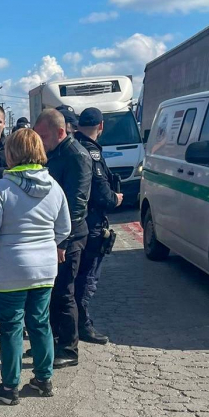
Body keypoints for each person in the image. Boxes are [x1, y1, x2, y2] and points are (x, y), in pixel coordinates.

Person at [0, 129, 71, 405]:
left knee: (11, 327)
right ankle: (43, 379)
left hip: (9, 268)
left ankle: (10, 386)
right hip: (44, 268)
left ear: (11, 153)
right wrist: (45, 245)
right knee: (40, 323)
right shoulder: (53, 186)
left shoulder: (1, 189)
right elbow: (64, 227)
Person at [34, 108, 92, 369]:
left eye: (43, 136)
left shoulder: (76, 155)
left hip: (70, 236)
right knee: (53, 293)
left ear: (60, 131)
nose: (40, 142)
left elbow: (76, 204)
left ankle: (68, 348)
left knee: (65, 293)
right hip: (54, 235)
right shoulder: (56, 152)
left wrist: (62, 242)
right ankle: (54, 342)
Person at [73, 108, 123, 345]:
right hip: (91, 223)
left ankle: (70, 326)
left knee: (73, 278)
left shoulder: (72, 146)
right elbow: (103, 194)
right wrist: (116, 199)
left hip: (76, 224)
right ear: (100, 126)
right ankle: (82, 325)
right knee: (87, 277)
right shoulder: (91, 152)